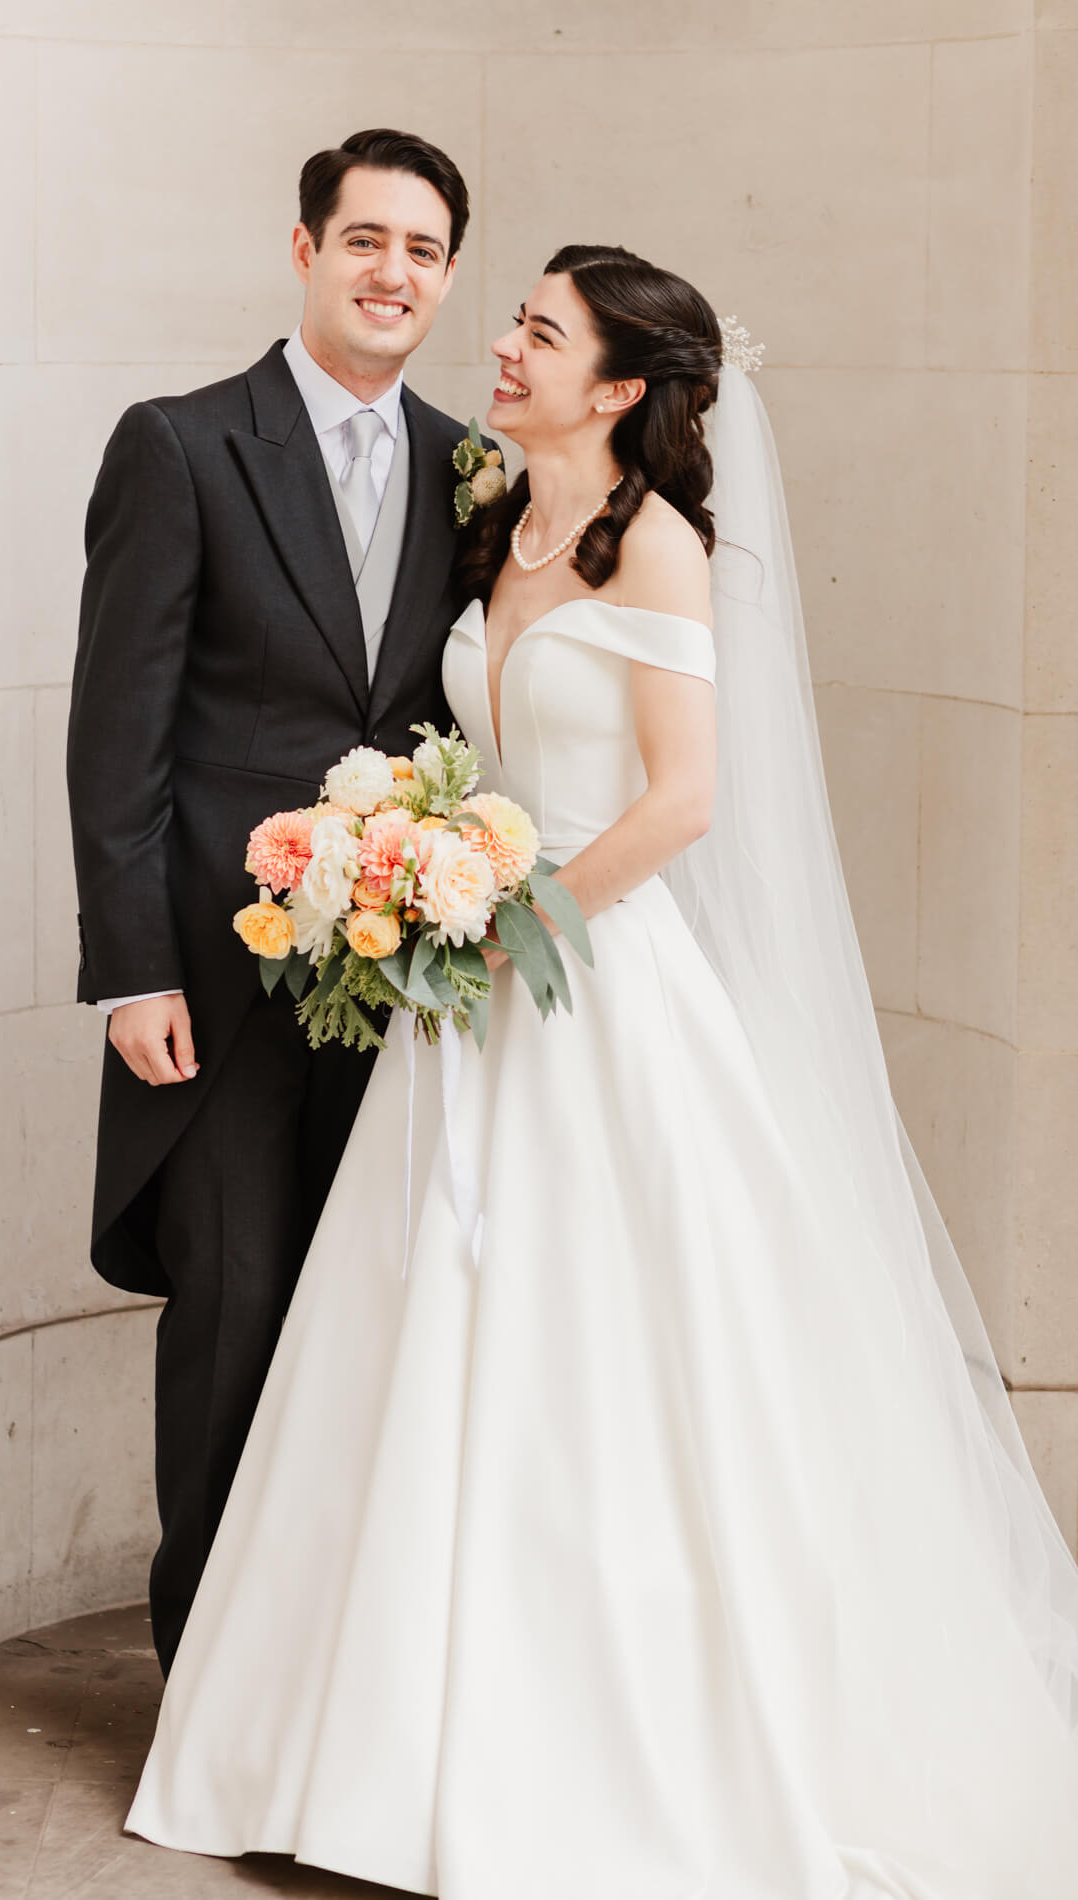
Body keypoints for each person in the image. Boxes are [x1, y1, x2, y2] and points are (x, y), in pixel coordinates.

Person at [124, 247, 1078, 1895]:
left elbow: (685, 797)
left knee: (605, 1359)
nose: (500, 342)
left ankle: (597, 1758)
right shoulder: (496, 522)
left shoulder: (664, 546)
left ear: (620, 387)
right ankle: (357, 1751)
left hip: (587, 983)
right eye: (516, 320)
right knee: (418, 1347)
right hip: (460, 995)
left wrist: (511, 920)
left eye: (540, 332)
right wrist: (409, 865)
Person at [66, 128, 487, 1679]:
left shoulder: (469, 466)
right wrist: (133, 974)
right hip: (224, 991)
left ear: (449, 275)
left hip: (410, 985)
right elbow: (118, 732)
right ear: (305, 250)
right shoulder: (179, 446)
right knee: (234, 1323)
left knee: (377, 1329)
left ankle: (339, 1694)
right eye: (366, 240)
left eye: (425, 251)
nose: (394, 274)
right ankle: (210, 1693)